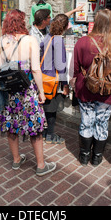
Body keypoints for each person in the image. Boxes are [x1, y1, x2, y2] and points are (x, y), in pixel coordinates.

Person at [0, 9, 56, 177]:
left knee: (11, 126)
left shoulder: (3, 40)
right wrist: (41, 92)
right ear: (21, 22)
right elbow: (35, 68)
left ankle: (17, 159)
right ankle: (41, 165)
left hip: (9, 93)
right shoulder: (30, 40)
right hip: (27, 92)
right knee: (35, 126)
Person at [73, 8, 111, 166]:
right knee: (102, 123)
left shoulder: (82, 42)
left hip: (86, 87)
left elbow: (76, 68)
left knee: (86, 121)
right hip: (108, 92)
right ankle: (97, 157)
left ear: (96, 22)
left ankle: (84, 155)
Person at [40, 14, 70, 144]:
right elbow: (60, 65)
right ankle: (50, 135)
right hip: (53, 79)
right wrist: (65, 84)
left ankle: (45, 132)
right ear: (65, 26)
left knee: (46, 107)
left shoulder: (47, 36)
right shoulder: (58, 40)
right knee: (52, 108)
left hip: (43, 76)